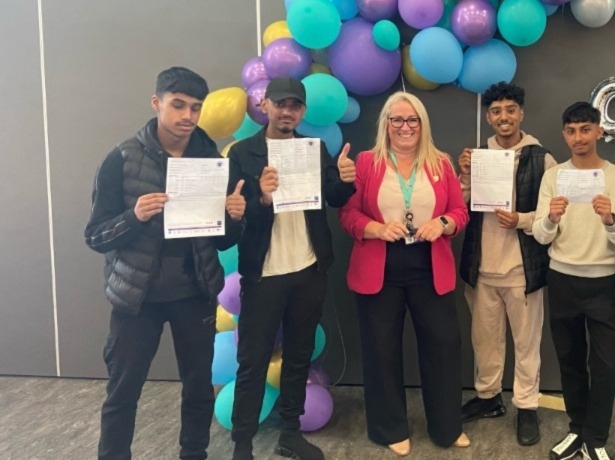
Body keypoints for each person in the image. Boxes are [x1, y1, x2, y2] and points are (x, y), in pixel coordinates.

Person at [84, 67, 246, 460]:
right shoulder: (121, 159)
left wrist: (235, 217)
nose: (187, 116)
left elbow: (221, 239)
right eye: (178, 105)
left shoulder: (209, 157)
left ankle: (195, 453)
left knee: (197, 387)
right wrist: (133, 216)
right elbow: (94, 235)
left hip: (195, 293)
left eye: (195, 107)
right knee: (124, 390)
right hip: (137, 298)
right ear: (156, 103)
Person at [226, 77, 356, 460]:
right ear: (264, 104)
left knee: (299, 356)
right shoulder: (243, 154)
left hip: (307, 271)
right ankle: (242, 445)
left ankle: (289, 433)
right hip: (263, 274)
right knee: (253, 361)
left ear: (302, 111)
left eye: (295, 105)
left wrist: (346, 180)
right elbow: (236, 216)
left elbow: (333, 195)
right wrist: (263, 198)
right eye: (280, 103)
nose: (287, 111)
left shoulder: (313, 150)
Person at [338, 91, 471, 457]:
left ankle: (447, 427)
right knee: (381, 349)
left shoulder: (441, 163)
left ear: (422, 124)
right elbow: (348, 216)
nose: (405, 126)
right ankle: (388, 428)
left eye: (412, 120)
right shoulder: (366, 163)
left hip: (429, 263)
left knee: (443, 346)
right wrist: (377, 229)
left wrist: (443, 223)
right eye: (396, 119)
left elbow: (460, 212)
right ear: (386, 125)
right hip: (381, 264)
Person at [457, 82, 556, 446]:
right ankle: (489, 399)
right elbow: (460, 205)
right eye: (496, 111)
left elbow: (551, 216)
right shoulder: (478, 156)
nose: (504, 117)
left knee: (526, 343)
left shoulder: (542, 158)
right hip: (481, 268)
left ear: (521, 114)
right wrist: (464, 173)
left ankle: (527, 407)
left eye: (510, 110)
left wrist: (522, 220)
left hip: (522, 270)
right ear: (488, 117)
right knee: (485, 340)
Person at [533, 102, 615, 460]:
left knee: (605, 365)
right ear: (564, 135)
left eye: (586, 129)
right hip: (562, 280)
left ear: (599, 132)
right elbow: (542, 237)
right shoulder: (553, 177)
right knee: (570, 360)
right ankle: (578, 428)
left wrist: (609, 219)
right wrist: (550, 218)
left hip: (603, 283)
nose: (579, 137)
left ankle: (596, 436)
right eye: (572, 131)